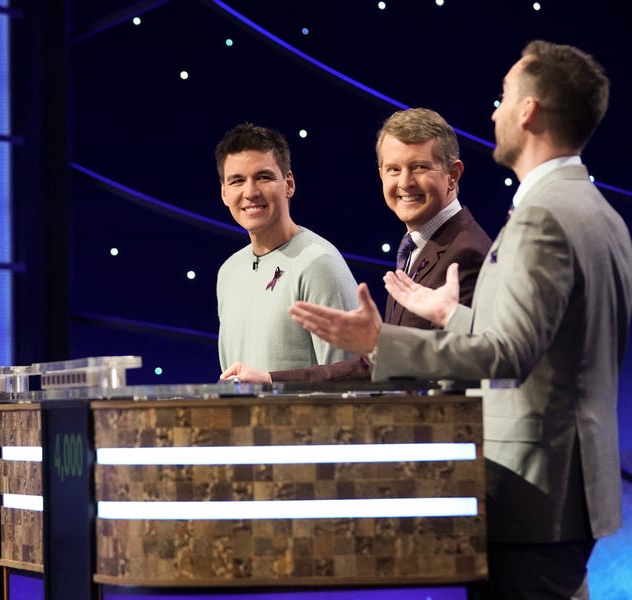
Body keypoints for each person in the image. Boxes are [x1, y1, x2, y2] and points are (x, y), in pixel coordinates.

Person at [288, 41, 632, 599]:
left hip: (533, 495)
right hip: (564, 492)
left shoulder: (543, 216)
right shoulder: (597, 210)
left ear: (529, 112)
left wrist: (382, 340)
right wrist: (451, 313)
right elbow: (546, 343)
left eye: (503, 99)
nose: (494, 112)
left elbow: (508, 356)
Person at [222, 108, 491, 383]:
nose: (405, 182)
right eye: (394, 169)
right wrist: (269, 379)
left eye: (420, 167)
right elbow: (372, 367)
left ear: (453, 175)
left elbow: (454, 372)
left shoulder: (464, 253)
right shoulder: (420, 246)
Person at [215, 122, 358, 373]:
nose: (250, 192)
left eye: (263, 177)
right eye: (237, 181)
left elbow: (349, 380)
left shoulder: (319, 264)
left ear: (288, 184)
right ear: (224, 193)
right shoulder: (228, 272)